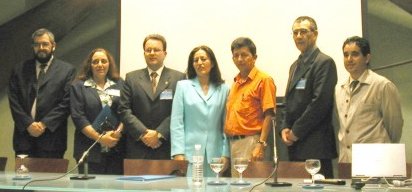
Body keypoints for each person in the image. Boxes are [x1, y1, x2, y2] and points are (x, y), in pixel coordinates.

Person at [280, 16, 337, 178]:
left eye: (303, 32)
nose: (298, 36)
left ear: (315, 34)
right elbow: (288, 102)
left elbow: (320, 104)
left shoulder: (324, 62)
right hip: (295, 146)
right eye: (295, 32)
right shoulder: (294, 65)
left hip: (316, 146)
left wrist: (295, 132)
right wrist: (284, 127)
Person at [8, 28, 76, 158]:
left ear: (53, 46)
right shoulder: (19, 69)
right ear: (33, 47)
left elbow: (66, 102)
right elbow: (14, 101)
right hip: (24, 139)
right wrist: (28, 124)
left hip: (52, 140)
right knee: (23, 178)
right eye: (37, 44)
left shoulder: (67, 71)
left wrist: (44, 124)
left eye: (45, 44)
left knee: (51, 178)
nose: (41, 48)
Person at [334, 36, 403, 163]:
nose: (349, 59)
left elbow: (394, 126)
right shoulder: (339, 88)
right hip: (346, 160)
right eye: (346, 55)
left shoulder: (382, 85)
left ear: (367, 58)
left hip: (375, 160)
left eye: (355, 54)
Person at [119, 34, 185, 159]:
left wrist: (159, 133)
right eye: (148, 50)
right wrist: (144, 133)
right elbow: (124, 110)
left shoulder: (179, 78)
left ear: (165, 53)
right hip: (137, 147)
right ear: (144, 53)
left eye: (156, 50)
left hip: (166, 145)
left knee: (169, 179)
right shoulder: (131, 78)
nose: (152, 53)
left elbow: (180, 111)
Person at [171, 45, 230, 177]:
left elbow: (226, 125)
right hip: (189, 153)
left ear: (212, 63)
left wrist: (226, 154)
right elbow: (177, 122)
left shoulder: (224, 89)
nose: (199, 63)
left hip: (215, 154)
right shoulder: (183, 86)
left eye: (203, 59)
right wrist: (178, 152)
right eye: (195, 60)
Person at [224, 37, 276, 176]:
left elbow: (269, 115)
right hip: (234, 143)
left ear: (254, 57)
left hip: (252, 143)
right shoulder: (236, 82)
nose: (240, 59)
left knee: (253, 188)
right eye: (236, 55)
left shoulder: (263, 80)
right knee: (238, 188)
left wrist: (261, 144)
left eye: (244, 55)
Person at [70, 48, 125, 174]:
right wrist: (100, 138)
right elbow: (78, 117)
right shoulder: (78, 86)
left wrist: (118, 133)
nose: (100, 64)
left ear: (109, 64)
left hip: (116, 149)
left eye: (103, 61)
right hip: (89, 149)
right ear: (90, 65)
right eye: (95, 62)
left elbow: (126, 111)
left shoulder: (120, 84)